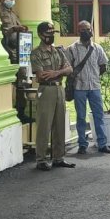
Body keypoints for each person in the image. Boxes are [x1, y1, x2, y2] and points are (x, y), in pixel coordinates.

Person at [30, 21, 75, 171]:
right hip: (46, 90)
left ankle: (58, 157)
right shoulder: (36, 52)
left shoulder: (58, 51)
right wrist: (60, 71)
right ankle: (41, 159)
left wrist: (56, 73)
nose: (50, 36)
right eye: (47, 34)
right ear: (41, 35)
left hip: (59, 89)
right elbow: (41, 76)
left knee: (59, 124)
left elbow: (69, 68)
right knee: (44, 125)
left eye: (52, 33)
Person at [65, 21, 110, 155]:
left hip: (95, 87)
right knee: (81, 117)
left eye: (88, 29)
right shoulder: (72, 49)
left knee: (99, 116)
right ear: (78, 32)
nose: (87, 31)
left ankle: (102, 144)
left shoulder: (97, 48)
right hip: (79, 88)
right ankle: (82, 144)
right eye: (83, 30)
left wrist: (94, 76)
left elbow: (103, 66)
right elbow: (68, 68)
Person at [0, 0, 32, 124]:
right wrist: (14, 29)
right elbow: (3, 32)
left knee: (21, 83)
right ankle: (9, 110)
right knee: (9, 84)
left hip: (19, 52)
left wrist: (22, 28)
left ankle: (21, 112)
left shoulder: (12, 13)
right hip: (6, 53)